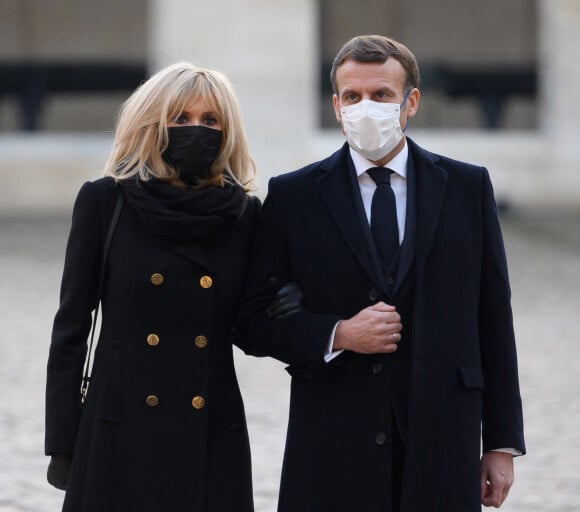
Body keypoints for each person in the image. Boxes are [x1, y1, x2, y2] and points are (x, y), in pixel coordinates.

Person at [237, 35, 525, 511]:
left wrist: (500, 443)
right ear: (336, 105)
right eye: (352, 97)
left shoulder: (467, 188)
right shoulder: (293, 196)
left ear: (409, 101)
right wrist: (338, 333)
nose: (365, 107)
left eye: (381, 95)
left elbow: (493, 320)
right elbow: (251, 320)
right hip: (333, 442)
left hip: (441, 441)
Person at [45, 62, 283, 512]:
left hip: (210, 427)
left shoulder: (245, 215)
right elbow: (71, 330)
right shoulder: (105, 201)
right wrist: (63, 441)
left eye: (210, 121)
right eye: (181, 119)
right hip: (119, 430)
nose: (197, 130)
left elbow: (249, 328)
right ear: (153, 125)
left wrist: (288, 307)